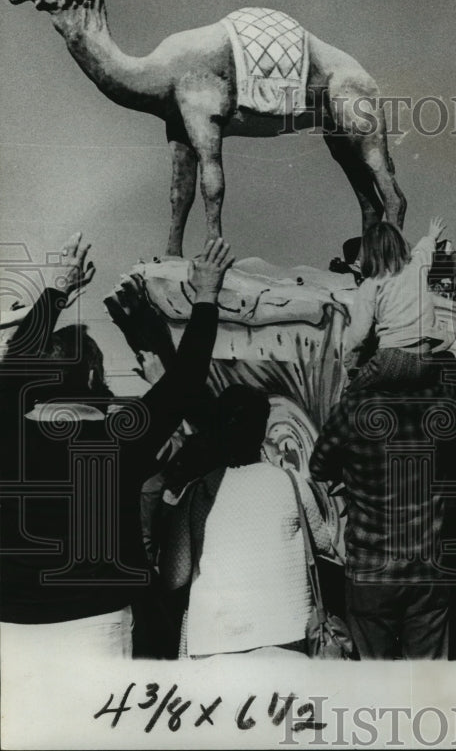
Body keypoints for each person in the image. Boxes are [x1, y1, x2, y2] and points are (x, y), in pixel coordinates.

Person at [0, 234, 232, 662]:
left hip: (11, 625)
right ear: (93, 378)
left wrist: (58, 290)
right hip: (97, 622)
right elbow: (183, 382)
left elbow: (11, 372)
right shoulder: (121, 437)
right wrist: (206, 297)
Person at [309, 350, 456, 660]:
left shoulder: (352, 411)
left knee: (377, 674)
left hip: (371, 567)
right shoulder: (441, 408)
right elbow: (446, 466)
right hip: (427, 565)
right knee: (429, 676)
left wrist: (352, 473)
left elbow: (318, 468)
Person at [161, 385, 332, 659]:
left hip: (214, 640)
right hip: (285, 636)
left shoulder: (199, 493)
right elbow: (322, 544)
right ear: (262, 429)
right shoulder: (291, 483)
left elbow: (175, 577)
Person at [343, 217, 446, 391]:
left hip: (392, 357)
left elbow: (359, 334)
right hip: (426, 359)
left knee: (351, 396)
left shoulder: (371, 283)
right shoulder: (416, 269)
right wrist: (431, 236)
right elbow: (423, 252)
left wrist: (349, 361)